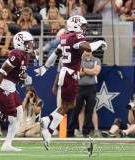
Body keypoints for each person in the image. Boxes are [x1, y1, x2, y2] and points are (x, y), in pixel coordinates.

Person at [34, 15, 107, 150]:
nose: (85, 28)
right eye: (83, 25)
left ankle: (48, 127)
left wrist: (45, 67)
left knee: (69, 104)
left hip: (67, 73)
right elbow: (88, 47)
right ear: (76, 25)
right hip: (70, 74)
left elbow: (55, 54)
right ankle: (47, 124)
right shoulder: (75, 37)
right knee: (68, 105)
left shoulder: (65, 37)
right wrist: (100, 42)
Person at [67, 51, 101, 137]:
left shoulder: (96, 60)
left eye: (89, 50)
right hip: (80, 87)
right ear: (83, 51)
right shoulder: (79, 60)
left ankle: (86, 132)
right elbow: (78, 73)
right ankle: (70, 130)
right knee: (76, 110)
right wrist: (90, 70)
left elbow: (96, 72)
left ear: (92, 50)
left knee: (90, 110)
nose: (87, 52)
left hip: (91, 87)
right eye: (86, 50)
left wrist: (84, 69)